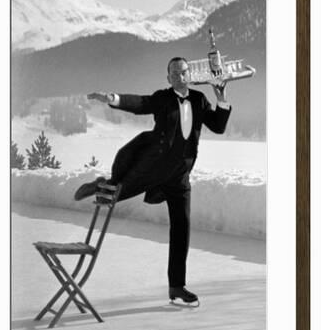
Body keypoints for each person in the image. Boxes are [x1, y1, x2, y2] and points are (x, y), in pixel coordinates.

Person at [74, 57, 231, 304]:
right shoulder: (163, 98)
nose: (179, 77)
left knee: (182, 229)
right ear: (168, 78)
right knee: (117, 192)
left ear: (189, 74)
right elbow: (140, 103)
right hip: (154, 167)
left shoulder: (200, 99)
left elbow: (218, 127)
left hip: (180, 175)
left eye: (183, 72)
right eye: (174, 74)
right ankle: (101, 184)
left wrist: (221, 98)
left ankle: (177, 287)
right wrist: (113, 99)